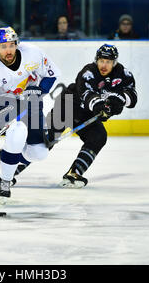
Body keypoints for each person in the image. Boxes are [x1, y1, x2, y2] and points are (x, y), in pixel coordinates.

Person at [15, 44, 137, 188]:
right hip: (68, 105)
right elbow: (87, 95)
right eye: (101, 61)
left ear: (114, 62)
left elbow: (132, 96)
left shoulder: (124, 74)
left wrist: (116, 103)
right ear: (96, 60)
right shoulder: (88, 73)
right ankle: (10, 168)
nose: (104, 65)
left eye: (108, 62)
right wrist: (101, 106)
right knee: (46, 140)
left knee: (98, 137)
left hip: (87, 114)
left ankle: (74, 173)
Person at [0, 26, 61, 201]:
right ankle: (5, 180)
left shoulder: (32, 53)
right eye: (3, 47)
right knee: (17, 130)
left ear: (16, 44)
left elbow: (52, 73)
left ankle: (5, 157)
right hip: (5, 104)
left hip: (31, 102)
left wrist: (39, 90)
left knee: (39, 153)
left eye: (11, 45)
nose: (8, 50)